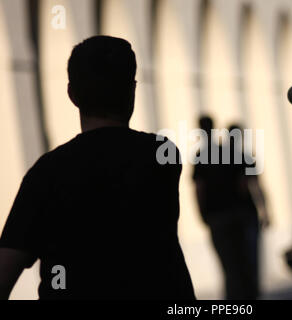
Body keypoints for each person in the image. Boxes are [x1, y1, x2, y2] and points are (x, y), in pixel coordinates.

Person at [0, 36, 195, 300]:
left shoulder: (47, 173)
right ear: (132, 90)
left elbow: (6, 271)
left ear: (71, 94)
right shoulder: (162, 155)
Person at [192, 118, 269, 299]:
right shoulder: (239, 155)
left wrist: (202, 214)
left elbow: (199, 188)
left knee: (229, 267)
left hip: (217, 216)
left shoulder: (201, 156)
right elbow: (251, 185)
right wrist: (264, 210)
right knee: (249, 265)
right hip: (243, 214)